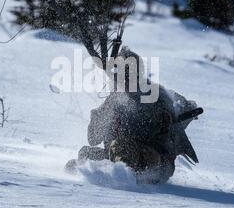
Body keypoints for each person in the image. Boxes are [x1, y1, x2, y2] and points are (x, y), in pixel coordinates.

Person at [65, 47, 200, 184]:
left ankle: (125, 182)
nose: (123, 81)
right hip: (124, 155)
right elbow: (93, 138)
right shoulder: (116, 98)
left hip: (157, 161)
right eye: (119, 76)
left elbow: (176, 110)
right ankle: (113, 172)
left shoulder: (155, 95)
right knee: (85, 154)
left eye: (129, 75)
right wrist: (104, 111)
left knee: (120, 146)